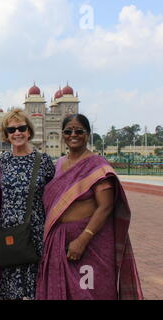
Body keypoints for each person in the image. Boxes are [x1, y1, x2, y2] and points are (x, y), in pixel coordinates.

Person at [36, 114, 143, 300]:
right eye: (68, 131)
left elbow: (106, 206)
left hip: (90, 241)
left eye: (79, 131)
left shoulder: (97, 165)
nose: (73, 135)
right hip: (59, 241)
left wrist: (83, 239)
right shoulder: (59, 165)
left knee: (91, 291)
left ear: (87, 134)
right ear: (62, 134)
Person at [0, 108, 55, 300]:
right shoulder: (3, 161)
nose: (17, 133)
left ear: (29, 131)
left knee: (33, 284)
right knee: (8, 284)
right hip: (7, 231)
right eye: (11, 130)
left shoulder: (43, 161)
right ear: (6, 135)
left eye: (21, 128)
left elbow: (57, 193)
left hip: (34, 232)